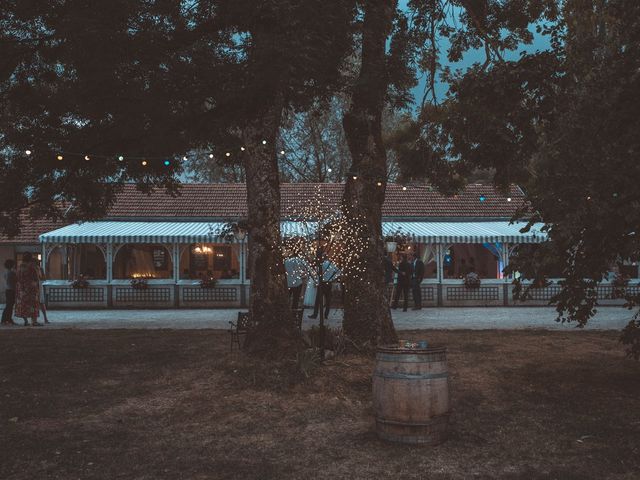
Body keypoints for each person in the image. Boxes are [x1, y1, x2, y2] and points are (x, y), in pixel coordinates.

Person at [308, 255, 340, 319]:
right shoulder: (331, 264)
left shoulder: (321, 265)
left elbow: (318, 274)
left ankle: (315, 314)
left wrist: (317, 282)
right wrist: (332, 278)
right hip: (329, 283)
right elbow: (338, 272)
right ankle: (326, 315)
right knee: (328, 300)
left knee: (318, 300)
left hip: (322, 283)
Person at [15, 253, 41, 326]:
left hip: (21, 288)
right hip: (31, 287)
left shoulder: (19, 267)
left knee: (23, 304)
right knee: (33, 304)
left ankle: (26, 321)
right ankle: (34, 321)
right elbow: (36, 277)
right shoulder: (32, 267)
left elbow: (17, 277)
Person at [1, 259, 17, 325]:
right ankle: (5, 320)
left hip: (8, 290)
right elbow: (16, 280)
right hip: (11, 290)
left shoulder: (6, 272)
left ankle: (7, 319)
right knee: (9, 306)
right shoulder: (11, 272)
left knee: (9, 306)